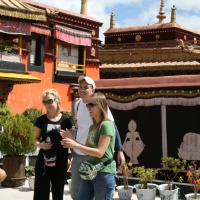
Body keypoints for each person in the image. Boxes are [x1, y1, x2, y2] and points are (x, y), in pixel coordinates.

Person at [69, 76, 125, 200]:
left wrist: (120, 150)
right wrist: (72, 142)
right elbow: (84, 144)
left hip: (103, 169)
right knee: (76, 195)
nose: (82, 90)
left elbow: (100, 151)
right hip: (85, 160)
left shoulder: (106, 124)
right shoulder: (79, 107)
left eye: (86, 87)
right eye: (80, 87)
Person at [61, 92, 116, 200]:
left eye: (92, 105)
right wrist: (72, 139)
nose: (88, 107)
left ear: (100, 106)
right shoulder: (93, 126)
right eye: (87, 105)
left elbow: (100, 152)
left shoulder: (106, 125)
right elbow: (86, 150)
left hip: (104, 173)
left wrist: (75, 145)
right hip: (90, 171)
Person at [33, 88, 72, 200]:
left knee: (58, 194)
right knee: (41, 194)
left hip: (60, 162)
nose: (47, 104)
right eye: (45, 102)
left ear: (57, 100)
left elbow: (71, 140)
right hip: (43, 163)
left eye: (50, 101)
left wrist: (74, 155)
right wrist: (41, 145)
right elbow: (35, 139)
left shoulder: (66, 121)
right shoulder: (41, 120)